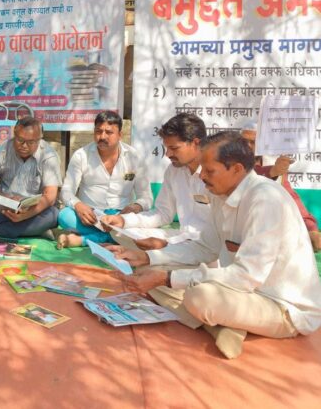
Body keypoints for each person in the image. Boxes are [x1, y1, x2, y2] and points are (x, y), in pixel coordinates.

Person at [108, 132, 321, 359]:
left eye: (210, 171)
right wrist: (148, 258)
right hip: (238, 292)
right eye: (203, 170)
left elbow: (246, 277)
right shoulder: (222, 195)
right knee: (147, 272)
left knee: (199, 297)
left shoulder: (265, 200)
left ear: (237, 169)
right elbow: (204, 248)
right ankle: (221, 325)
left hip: (281, 307)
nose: (202, 178)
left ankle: (218, 321)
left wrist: (167, 278)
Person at [102, 113, 216, 251]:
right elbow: (162, 213)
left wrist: (168, 243)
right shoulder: (174, 170)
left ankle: (159, 258)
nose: (168, 154)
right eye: (166, 148)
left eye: (174, 148)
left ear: (196, 143)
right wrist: (124, 220)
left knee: (156, 250)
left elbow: (220, 233)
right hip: (182, 237)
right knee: (119, 231)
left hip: (207, 245)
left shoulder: (216, 173)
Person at [57, 110, 153, 248]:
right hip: (90, 216)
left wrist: (134, 207)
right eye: (98, 131)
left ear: (120, 135)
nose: (102, 136)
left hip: (120, 216)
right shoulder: (81, 155)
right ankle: (115, 237)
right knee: (64, 216)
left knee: (144, 221)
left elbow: (147, 198)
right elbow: (66, 191)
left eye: (109, 132)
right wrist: (79, 206)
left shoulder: (134, 157)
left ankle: (83, 240)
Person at [0, 116, 62, 239]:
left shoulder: (49, 156)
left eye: (31, 142)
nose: (24, 146)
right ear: (14, 134)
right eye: (20, 140)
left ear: (39, 140)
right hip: (4, 205)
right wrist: (6, 200)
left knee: (53, 215)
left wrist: (25, 215)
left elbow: (50, 197)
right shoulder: (1, 151)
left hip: (33, 208)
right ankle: (32, 229)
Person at [240, 121, 320, 252]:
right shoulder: (231, 163)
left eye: (253, 142)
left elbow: (291, 199)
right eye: (244, 142)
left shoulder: (272, 163)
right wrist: (271, 173)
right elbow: (246, 181)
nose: (247, 147)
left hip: (269, 234)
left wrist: (311, 227)